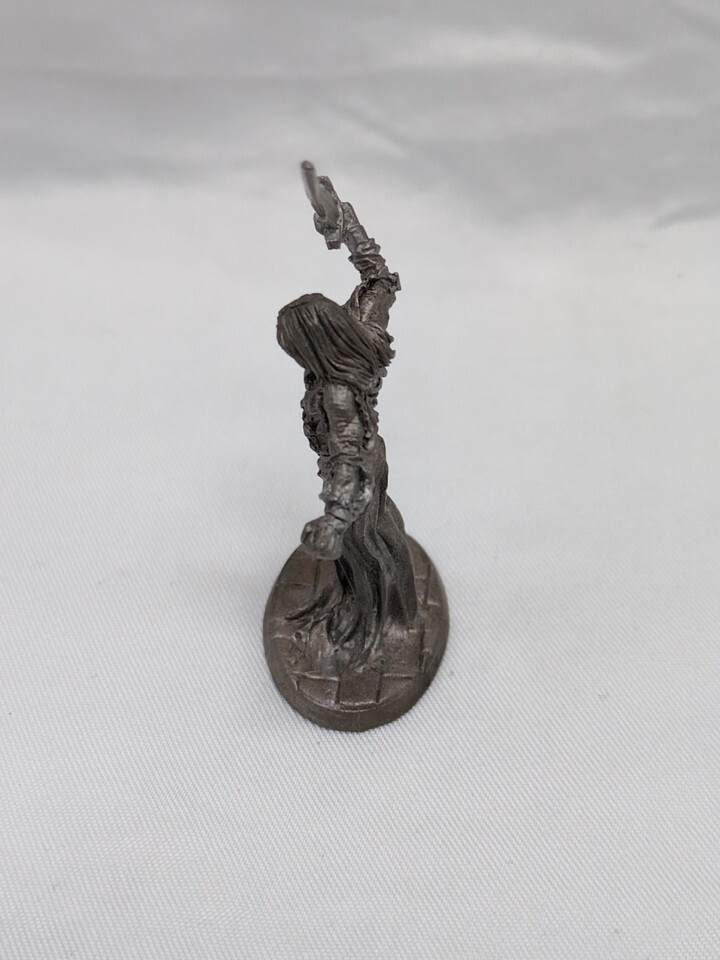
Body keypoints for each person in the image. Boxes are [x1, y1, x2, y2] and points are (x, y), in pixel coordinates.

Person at [276, 183, 418, 660]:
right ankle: (382, 606)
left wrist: (335, 520)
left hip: (358, 471)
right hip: (369, 459)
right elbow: (378, 275)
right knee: (378, 531)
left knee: (365, 544)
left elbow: (348, 462)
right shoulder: (365, 332)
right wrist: (341, 222)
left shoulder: (337, 395)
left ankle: (373, 620)